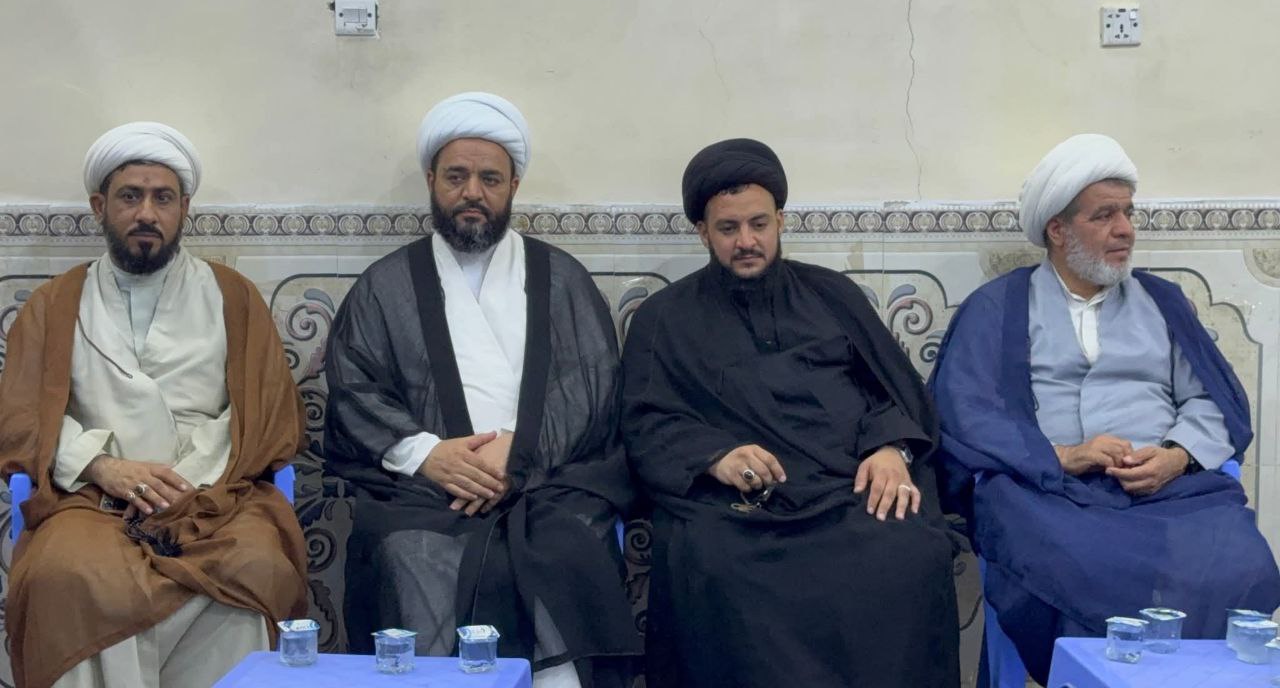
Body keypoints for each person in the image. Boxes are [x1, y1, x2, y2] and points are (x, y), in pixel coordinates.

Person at [929, 133, 1280, 683]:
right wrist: (1062, 456)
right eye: (1104, 215)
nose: (1125, 230)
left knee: (1239, 560)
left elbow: (1211, 398)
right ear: (1058, 230)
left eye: (1128, 213)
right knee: (1063, 561)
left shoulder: (1162, 301)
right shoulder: (998, 306)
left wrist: (1177, 455)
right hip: (1048, 493)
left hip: (1167, 492)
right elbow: (965, 413)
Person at [323, 92, 639, 688]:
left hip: (546, 481)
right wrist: (428, 454)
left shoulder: (561, 278)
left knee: (568, 543)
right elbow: (354, 390)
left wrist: (519, 450)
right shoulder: (385, 286)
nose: (472, 192)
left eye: (490, 178)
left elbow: (593, 387)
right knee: (406, 547)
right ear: (431, 181)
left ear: (513, 185)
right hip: (427, 490)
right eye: (457, 176)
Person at [620, 138, 961, 687]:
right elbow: (643, 422)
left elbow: (897, 393)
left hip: (845, 489)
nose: (746, 241)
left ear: (780, 220)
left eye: (759, 224)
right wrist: (714, 455)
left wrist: (890, 449)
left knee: (908, 550)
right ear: (702, 232)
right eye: (728, 228)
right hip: (735, 507)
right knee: (713, 567)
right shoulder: (664, 318)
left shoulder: (833, 296)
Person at [0, 122, 309, 688]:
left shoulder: (233, 297)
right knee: (61, 575)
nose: (147, 213)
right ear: (100, 207)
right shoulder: (54, 304)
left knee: (256, 566)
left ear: (184, 208)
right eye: (130, 196)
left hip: (215, 495)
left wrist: (188, 481)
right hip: (90, 499)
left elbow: (267, 415)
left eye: (163, 198)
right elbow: (21, 417)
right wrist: (102, 467)